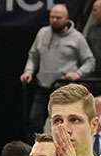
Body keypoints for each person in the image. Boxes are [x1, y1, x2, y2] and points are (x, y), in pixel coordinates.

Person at [21, 3, 96, 136]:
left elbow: (90, 61)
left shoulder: (77, 37)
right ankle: (38, 151)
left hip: (64, 88)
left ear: (67, 18)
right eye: (52, 17)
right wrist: (28, 71)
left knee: (62, 122)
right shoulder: (43, 33)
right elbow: (33, 56)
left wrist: (78, 73)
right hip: (43, 86)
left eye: (58, 18)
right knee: (35, 121)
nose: (54, 20)